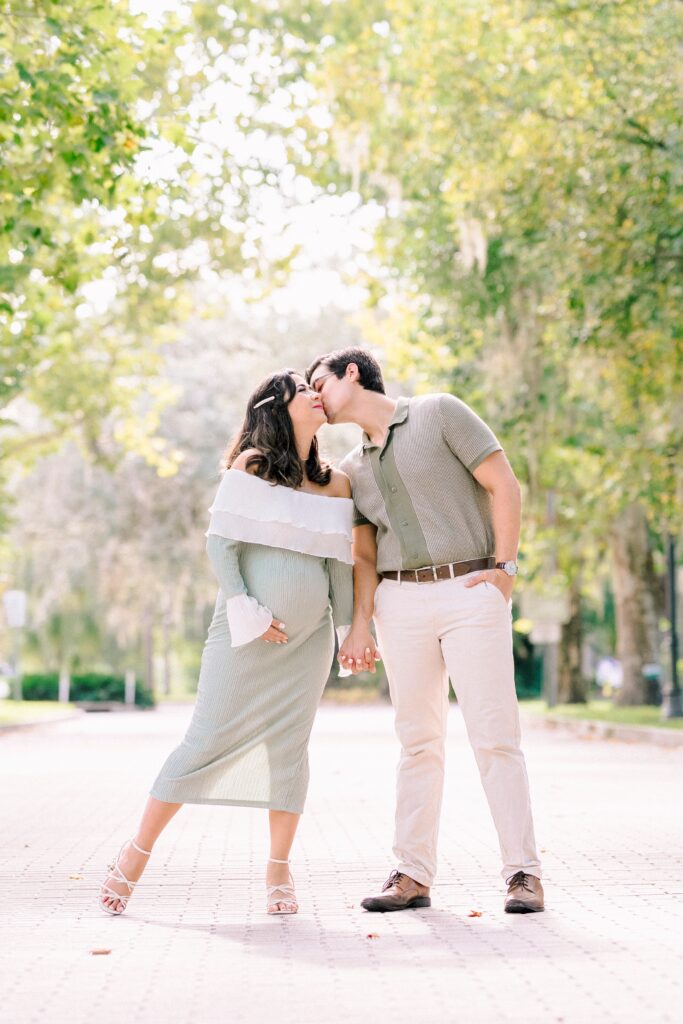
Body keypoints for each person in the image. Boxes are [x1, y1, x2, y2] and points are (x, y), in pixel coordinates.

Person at [99, 370, 353, 917]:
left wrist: (350, 630)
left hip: (306, 647)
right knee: (203, 742)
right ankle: (135, 854)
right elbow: (222, 548)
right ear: (277, 408)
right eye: (301, 389)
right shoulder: (253, 467)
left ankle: (278, 871)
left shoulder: (336, 484)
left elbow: (340, 569)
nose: (315, 392)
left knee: (289, 751)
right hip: (243, 636)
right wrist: (250, 612)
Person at [307, 348, 544, 914]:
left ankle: (523, 874)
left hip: (469, 593)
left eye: (320, 382)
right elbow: (364, 558)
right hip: (398, 603)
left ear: (353, 373)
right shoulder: (350, 470)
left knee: (494, 736)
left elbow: (504, 484)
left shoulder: (439, 413)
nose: (315, 395)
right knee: (417, 743)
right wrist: (360, 627)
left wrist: (504, 573)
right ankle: (411, 874)